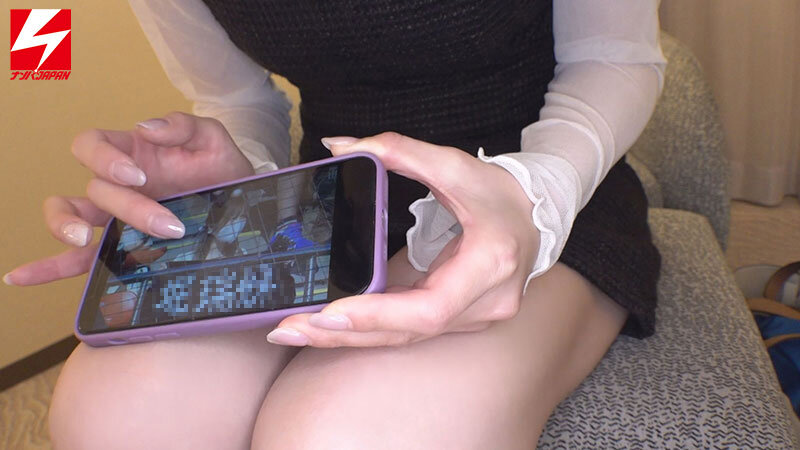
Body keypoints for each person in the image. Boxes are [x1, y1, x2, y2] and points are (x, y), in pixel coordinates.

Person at [4, 0, 666, 448]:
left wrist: (535, 195)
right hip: (330, 197)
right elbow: (236, 96)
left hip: (539, 182)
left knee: (343, 436)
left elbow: (614, 56)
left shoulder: (538, 188)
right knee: (113, 422)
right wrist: (231, 182)